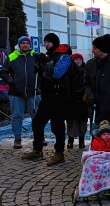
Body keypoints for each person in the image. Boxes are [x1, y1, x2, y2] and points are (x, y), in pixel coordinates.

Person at [21, 33, 72, 166]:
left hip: (59, 96)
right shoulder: (48, 56)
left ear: (55, 42)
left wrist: (46, 63)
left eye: (49, 41)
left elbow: (57, 73)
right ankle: (37, 149)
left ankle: (59, 152)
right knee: (37, 122)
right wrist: (39, 68)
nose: (47, 44)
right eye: (46, 42)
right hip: (48, 95)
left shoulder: (64, 56)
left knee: (57, 126)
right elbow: (46, 74)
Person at [0, 36, 37, 149]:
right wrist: (12, 81)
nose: (25, 45)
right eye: (23, 43)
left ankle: (39, 137)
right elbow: (3, 72)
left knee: (36, 116)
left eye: (27, 43)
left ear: (30, 45)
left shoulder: (35, 56)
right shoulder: (12, 56)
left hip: (33, 92)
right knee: (16, 116)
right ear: (19, 45)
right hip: (16, 92)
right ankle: (17, 139)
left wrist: (39, 84)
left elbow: (44, 71)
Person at [66, 53, 88, 149]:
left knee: (82, 121)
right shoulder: (69, 71)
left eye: (80, 59)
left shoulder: (86, 71)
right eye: (76, 59)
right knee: (71, 121)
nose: (78, 61)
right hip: (72, 99)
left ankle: (81, 141)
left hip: (83, 100)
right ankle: (70, 140)